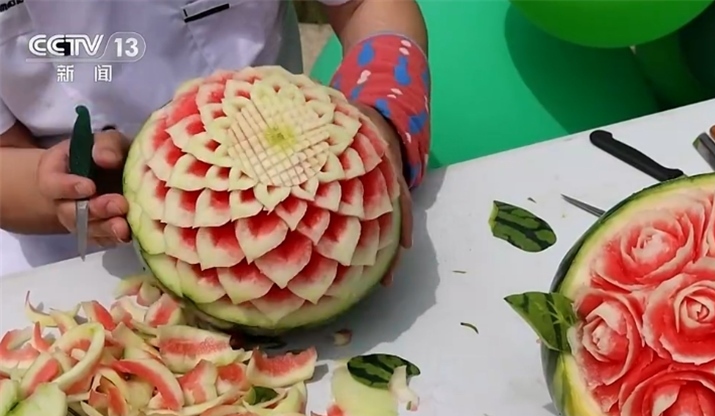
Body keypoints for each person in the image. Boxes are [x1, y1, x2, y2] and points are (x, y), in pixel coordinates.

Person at [0, 0, 431, 280]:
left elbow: (364, 5)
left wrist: (381, 119)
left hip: (305, 214)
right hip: (70, 262)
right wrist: (52, 190)